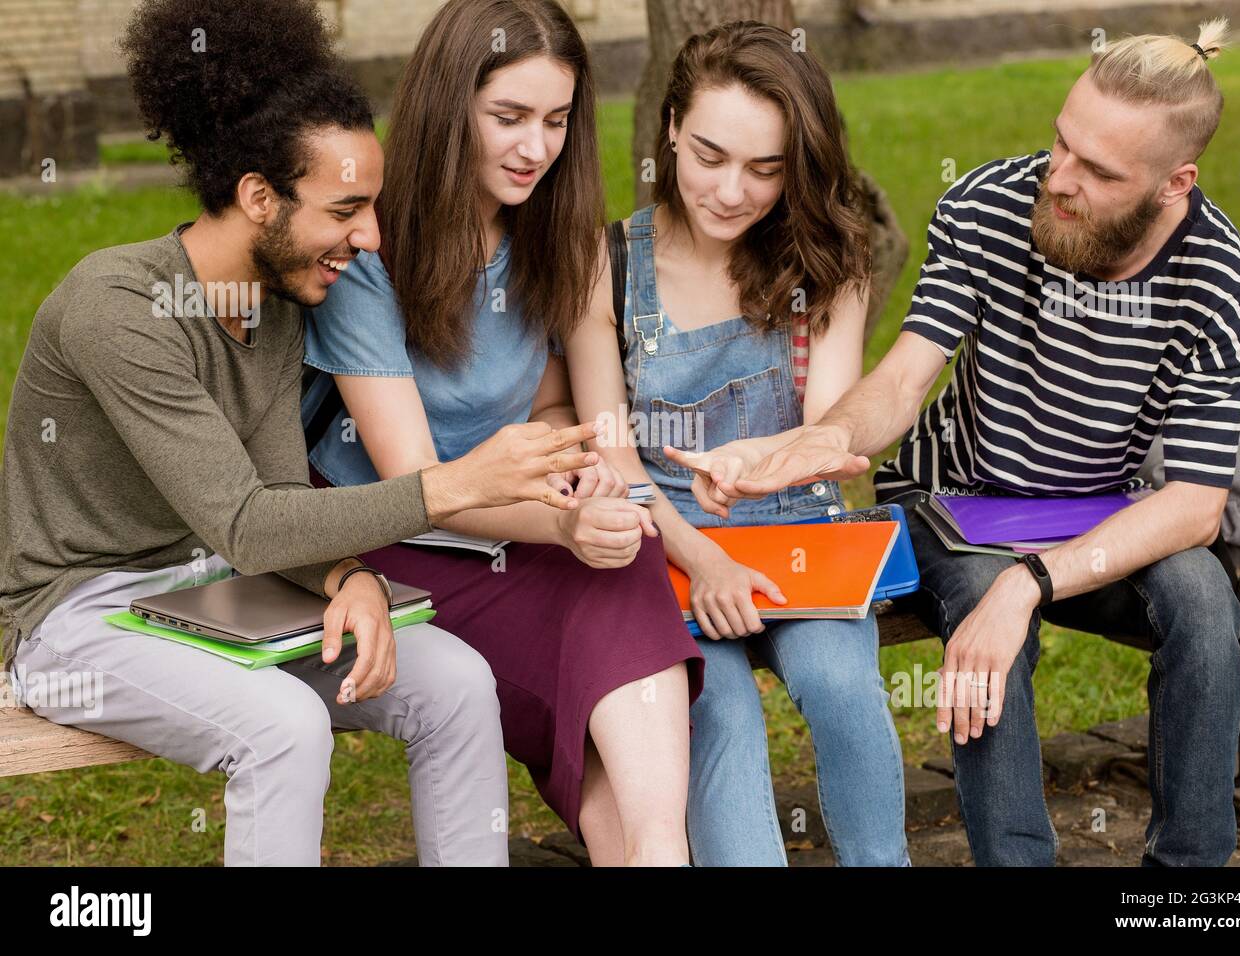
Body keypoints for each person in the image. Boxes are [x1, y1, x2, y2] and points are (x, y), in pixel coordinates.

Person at [0, 0, 599, 867]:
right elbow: (246, 521)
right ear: (257, 197)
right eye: (347, 209)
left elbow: (279, 504)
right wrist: (462, 482)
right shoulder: (117, 308)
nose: (372, 238)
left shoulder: (282, 301)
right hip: (77, 617)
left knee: (460, 683)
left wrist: (346, 576)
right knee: (284, 726)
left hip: (216, 592)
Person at [668, 18, 1240, 867]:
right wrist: (817, 440)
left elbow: (1196, 508)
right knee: (988, 609)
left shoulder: (1220, 275)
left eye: (1098, 171)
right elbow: (907, 378)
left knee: (1204, 604)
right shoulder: (986, 205)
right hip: (956, 503)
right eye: (1062, 143)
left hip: (1097, 518)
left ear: (1176, 184)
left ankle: (1185, 889)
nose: (1059, 179)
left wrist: (1034, 583)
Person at [301, 0, 703, 867]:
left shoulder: (554, 237)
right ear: (452, 109)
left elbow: (554, 411)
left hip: (509, 520)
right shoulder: (371, 253)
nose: (536, 147)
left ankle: (658, 850)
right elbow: (416, 482)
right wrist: (558, 522)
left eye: (556, 121)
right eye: (509, 118)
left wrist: (579, 479)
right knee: (603, 574)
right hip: (389, 544)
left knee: (622, 549)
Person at [564, 21, 910, 866]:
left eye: (766, 168)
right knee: (719, 712)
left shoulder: (828, 262)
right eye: (710, 155)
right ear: (673, 125)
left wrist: (774, 462)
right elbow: (612, 456)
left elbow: (826, 427)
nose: (731, 191)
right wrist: (701, 556)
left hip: (796, 532)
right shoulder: (602, 262)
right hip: (662, 543)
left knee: (843, 689)